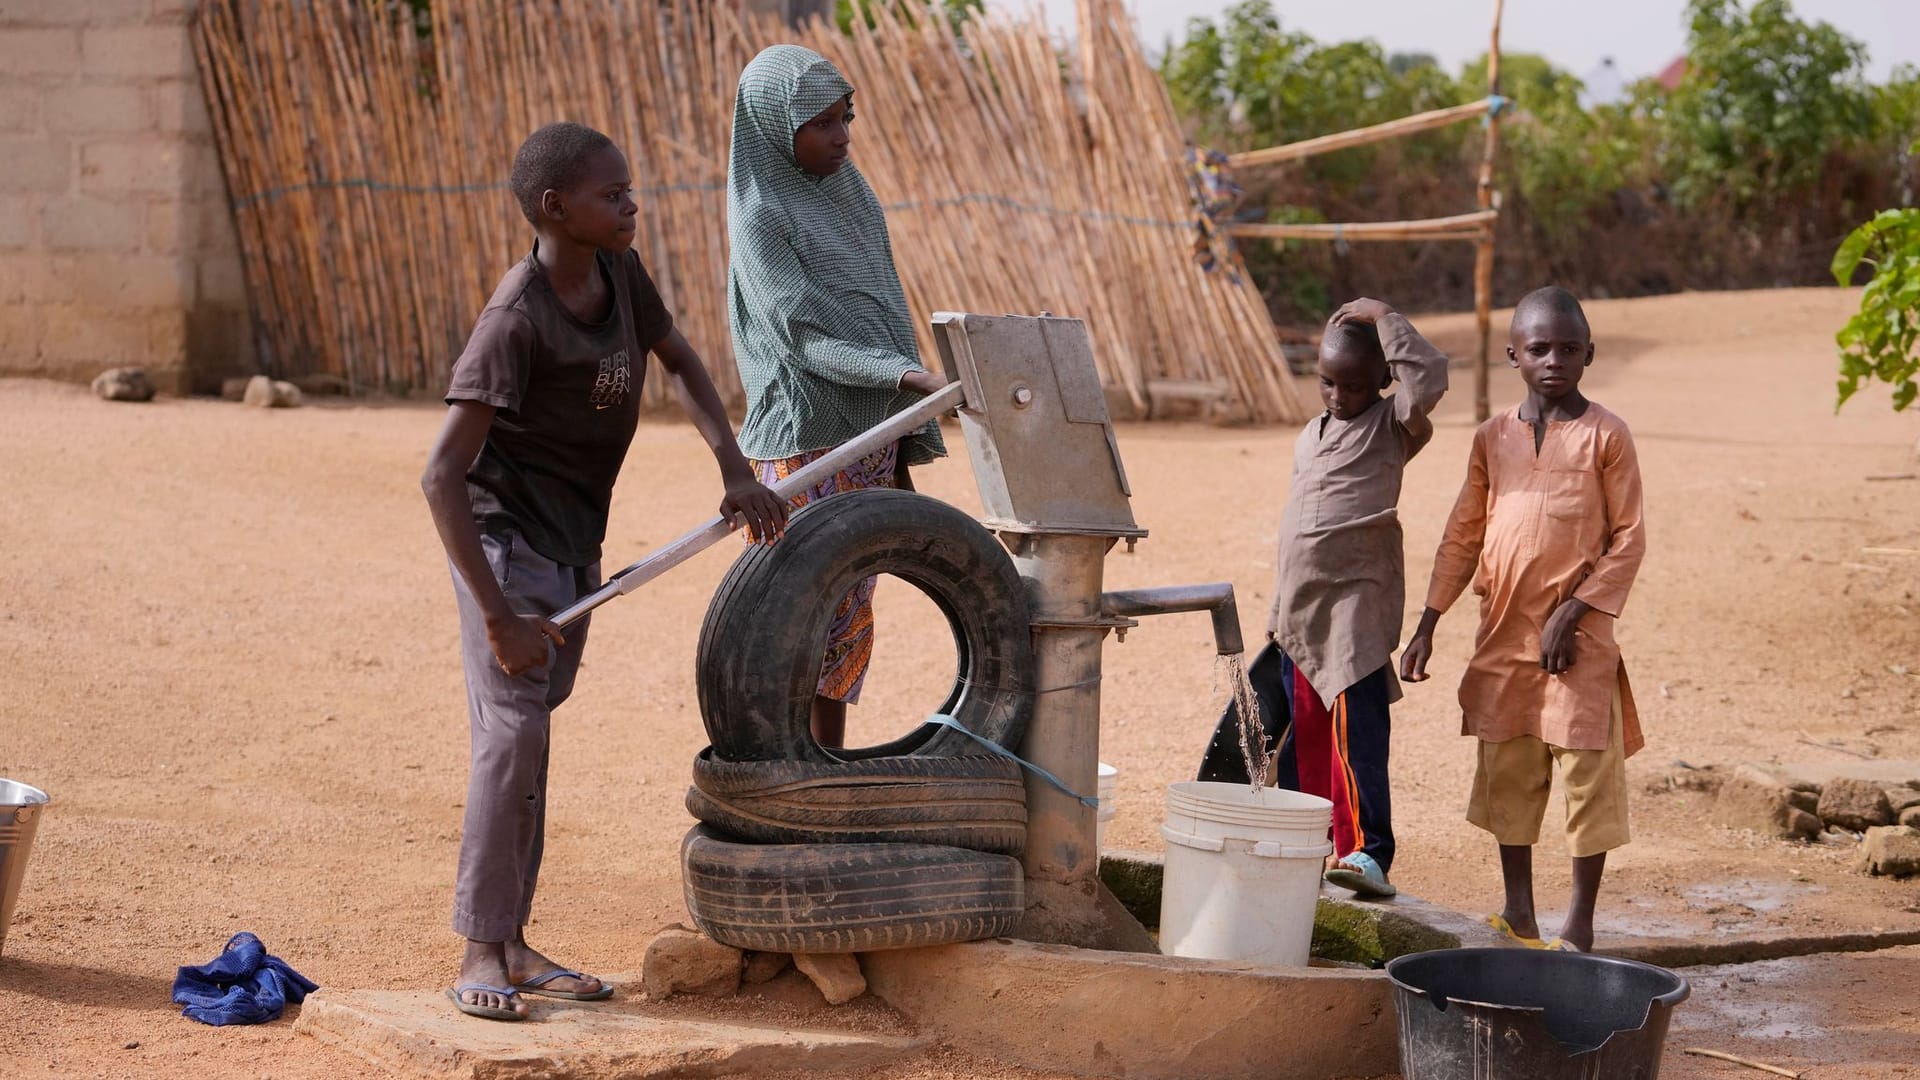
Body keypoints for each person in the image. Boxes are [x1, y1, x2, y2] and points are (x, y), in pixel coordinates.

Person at [421, 121, 787, 1021]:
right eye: (612, 194)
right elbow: (440, 476)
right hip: (505, 551)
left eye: (629, 191)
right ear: (556, 208)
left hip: (573, 547)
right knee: (511, 738)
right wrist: (500, 615)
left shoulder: (619, 274)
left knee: (532, 739)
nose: (632, 205)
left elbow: (680, 359)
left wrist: (732, 466)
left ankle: (512, 944)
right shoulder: (515, 319)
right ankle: (480, 947)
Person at [1401, 286, 1646, 954]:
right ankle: (1519, 912)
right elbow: (1463, 533)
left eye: (1569, 348)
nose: (1554, 360)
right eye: (1539, 348)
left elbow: (1629, 538)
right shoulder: (1492, 438)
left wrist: (1577, 608)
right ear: (1514, 354)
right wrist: (1428, 622)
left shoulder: (1606, 435)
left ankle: (1581, 925)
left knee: (1587, 775)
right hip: (1503, 633)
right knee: (1509, 768)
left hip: (1580, 642)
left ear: (1589, 354)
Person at [725, 44, 949, 750]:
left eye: (844, 117)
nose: (840, 136)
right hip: (807, 444)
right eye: (819, 123)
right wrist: (910, 379)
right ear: (770, 127)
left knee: (850, 611)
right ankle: (780, 767)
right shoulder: (761, 215)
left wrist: (902, 428)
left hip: (870, 438)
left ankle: (829, 765)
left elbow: (882, 306)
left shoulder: (852, 195)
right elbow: (803, 339)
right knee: (797, 612)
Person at [1198, 298, 1447, 900]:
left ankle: (1368, 852)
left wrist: (1387, 317)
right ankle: (1312, 842)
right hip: (1299, 616)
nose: (1338, 396)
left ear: (1384, 381)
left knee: (1355, 734)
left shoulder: (1394, 428)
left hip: (1353, 612)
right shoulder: (1311, 433)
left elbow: (1431, 376)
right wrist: (1278, 614)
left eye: (1355, 385)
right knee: (1305, 737)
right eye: (1328, 383)